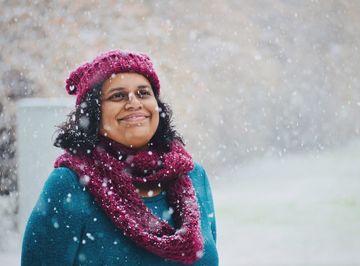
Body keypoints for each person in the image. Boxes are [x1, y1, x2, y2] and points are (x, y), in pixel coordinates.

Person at [21, 50, 219, 265]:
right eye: (117, 95)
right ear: (93, 112)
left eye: (143, 93)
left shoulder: (192, 175)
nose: (134, 103)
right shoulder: (69, 184)